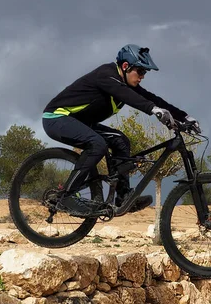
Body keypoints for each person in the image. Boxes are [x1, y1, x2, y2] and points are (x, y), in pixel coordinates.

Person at [42, 44, 201, 216]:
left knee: (120, 140)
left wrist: (184, 117)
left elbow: (152, 98)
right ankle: (66, 196)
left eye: (144, 73)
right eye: (140, 72)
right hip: (57, 118)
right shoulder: (106, 75)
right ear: (125, 66)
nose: (142, 77)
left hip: (80, 122)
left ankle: (123, 196)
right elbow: (129, 97)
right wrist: (153, 110)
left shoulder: (125, 83)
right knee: (98, 144)